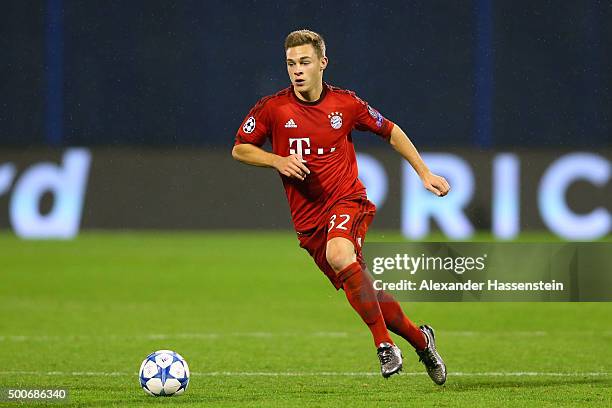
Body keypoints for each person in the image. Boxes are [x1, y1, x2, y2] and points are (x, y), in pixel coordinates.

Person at [232, 29, 449, 383]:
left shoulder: (345, 105)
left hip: (347, 201)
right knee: (366, 290)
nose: (297, 70)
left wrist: (424, 172)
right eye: (290, 64)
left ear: (322, 63)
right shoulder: (273, 108)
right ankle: (422, 341)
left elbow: (390, 130)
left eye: (304, 62)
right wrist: (276, 160)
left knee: (339, 253)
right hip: (308, 223)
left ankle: (384, 346)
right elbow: (240, 147)